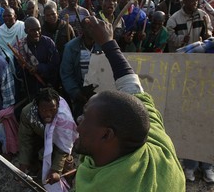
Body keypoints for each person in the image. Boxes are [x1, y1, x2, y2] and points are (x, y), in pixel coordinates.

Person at [74, 16, 186, 191]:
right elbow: (132, 88)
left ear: (107, 135)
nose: (78, 122)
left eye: (85, 118)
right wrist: (108, 43)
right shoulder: (156, 139)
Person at [18, 88, 78, 191]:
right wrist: (23, 165)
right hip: (41, 141)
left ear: (57, 107)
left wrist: (56, 170)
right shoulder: (27, 114)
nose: (48, 114)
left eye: (52, 110)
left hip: (62, 145)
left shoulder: (64, 119)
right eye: (44, 110)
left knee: (65, 166)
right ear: (37, 107)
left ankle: (68, 182)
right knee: (37, 170)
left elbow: (64, 146)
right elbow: (25, 140)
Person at [60, 18, 102, 120]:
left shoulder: (103, 45)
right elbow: (66, 74)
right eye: (89, 28)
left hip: (101, 94)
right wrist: (76, 92)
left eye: (94, 27)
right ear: (82, 30)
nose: (92, 30)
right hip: (81, 94)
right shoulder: (70, 47)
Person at [16, 17, 60, 100]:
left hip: (48, 88)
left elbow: (55, 65)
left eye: (38, 29)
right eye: (32, 30)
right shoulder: (20, 46)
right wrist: (25, 68)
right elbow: (18, 72)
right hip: (30, 91)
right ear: (26, 31)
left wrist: (39, 68)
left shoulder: (48, 43)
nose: (36, 33)